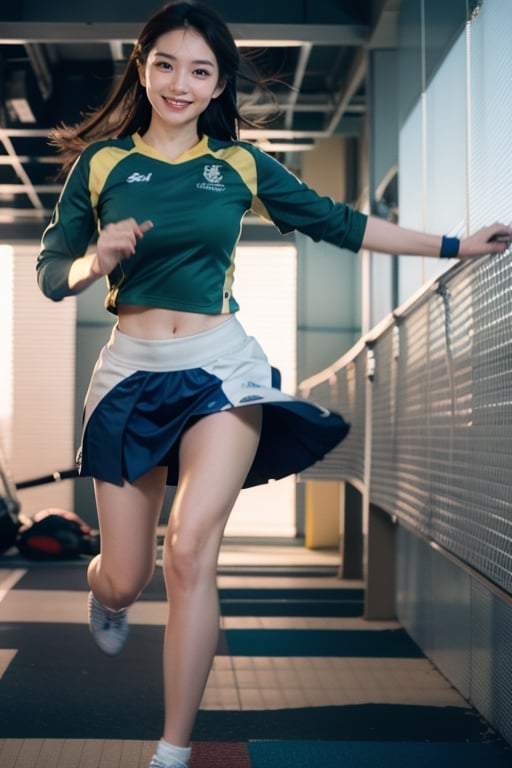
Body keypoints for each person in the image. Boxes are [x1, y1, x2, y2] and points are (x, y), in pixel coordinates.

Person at [36, 2, 512, 766]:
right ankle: (106, 588)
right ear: (143, 66)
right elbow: (51, 272)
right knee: (131, 577)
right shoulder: (101, 166)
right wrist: (95, 261)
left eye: (199, 70)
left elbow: (341, 222)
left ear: (219, 82)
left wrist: (457, 245)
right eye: (165, 64)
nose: (179, 83)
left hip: (220, 372)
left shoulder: (241, 167)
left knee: (191, 552)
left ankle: (171, 751)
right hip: (128, 378)